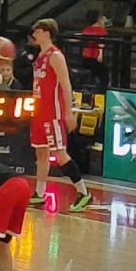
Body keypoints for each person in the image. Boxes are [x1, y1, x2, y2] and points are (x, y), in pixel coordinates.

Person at [26, 18, 91, 212]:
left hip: (52, 113)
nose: (34, 34)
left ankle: (83, 192)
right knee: (41, 153)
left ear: (47, 33)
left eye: (37, 31)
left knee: (60, 154)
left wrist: (68, 112)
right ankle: (39, 193)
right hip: (39, 112)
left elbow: (66, 84)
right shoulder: (40, 56)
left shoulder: (55, 56)